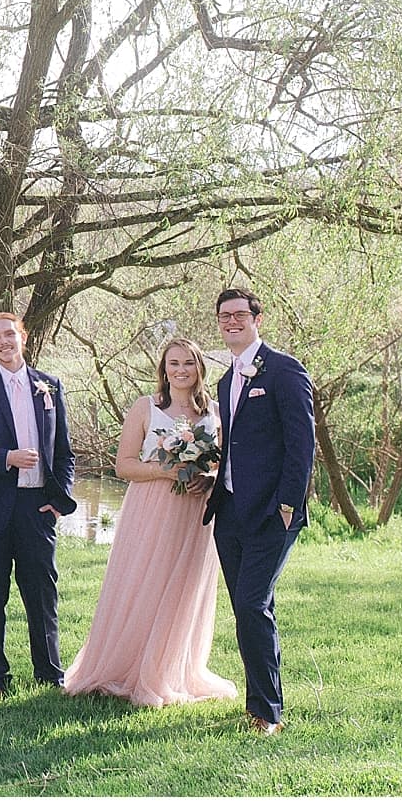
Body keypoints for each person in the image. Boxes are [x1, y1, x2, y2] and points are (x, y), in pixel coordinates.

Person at [64, 336, 237, 707]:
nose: (180, 371)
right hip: (152, 506)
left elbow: (224, 463)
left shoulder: (216, 412)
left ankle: (173, 669)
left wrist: (206, 476)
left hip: (194, 510)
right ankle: (128, 665)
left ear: (199, 369)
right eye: (173, 364)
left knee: (183, 586)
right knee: (145, 581)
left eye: (188, 364)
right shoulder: (146, 407)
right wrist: (165, 470)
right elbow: (123, 465)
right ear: (164, 369)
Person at [204, 285, 316, 735]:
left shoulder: (285, 371)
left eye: (239, 315)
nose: (232, 322)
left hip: (273, 512)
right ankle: (258, 704)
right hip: (230, 510)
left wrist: (289, 503)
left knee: (252, 605)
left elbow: (301, 445)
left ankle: (268, 713)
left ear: (257, 318)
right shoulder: (226, 379)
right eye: (224, 316)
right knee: (247, 608)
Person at [0, 310, 76, 698]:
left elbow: (64, 454)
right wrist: (6, 458)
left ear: (22, 336)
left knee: (42, 594)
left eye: (10, 333)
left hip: (37, 509)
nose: (3, 341)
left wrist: (60, 501)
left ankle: (50, 675)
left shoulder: (50, 386)